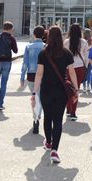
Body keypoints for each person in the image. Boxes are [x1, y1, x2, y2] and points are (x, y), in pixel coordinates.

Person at [31, 26, 78, 164]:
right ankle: (55, 150)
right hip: (61, 91)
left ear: (49, 36)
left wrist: (34, 91)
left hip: (46, 90)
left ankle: (49, 142)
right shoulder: (66, 53)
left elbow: (39, 74)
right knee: (58, 120)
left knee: (47, 117)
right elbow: (72, 72)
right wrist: (76, 89)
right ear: (60, 37)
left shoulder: (43, 53)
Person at [0, 21, 18, 110]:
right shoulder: (11, 38)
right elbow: (16, 50)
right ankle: (0, 104)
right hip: (7, 62)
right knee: (4, 83)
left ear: (3, 28)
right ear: (11, 29)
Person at [21, 26, 46, 134]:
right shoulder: (46, 46)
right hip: (44, 76)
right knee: (40, 97)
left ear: (34, 34)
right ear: (43, 35)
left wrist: (22, 77)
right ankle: (38, 116)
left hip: (31, 75)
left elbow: (25, 63)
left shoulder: (28, 46)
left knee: (34, 97)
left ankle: (35, 117)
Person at [63, 23, 89, 121]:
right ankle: (73, 112)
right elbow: (86, 57)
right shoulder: (84, 42)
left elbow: (63, 55)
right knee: (76, 89)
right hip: (79, 67)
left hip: (68, 68)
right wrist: (85, 67)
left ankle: (68, 109)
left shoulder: (66, 42)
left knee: (68, 89)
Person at [82, 28, 92, 93]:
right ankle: (88, 86)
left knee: (84, 73)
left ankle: (84, 87)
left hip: (84, 59)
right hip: (90, 58)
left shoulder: (83, 41)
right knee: (89, 73)